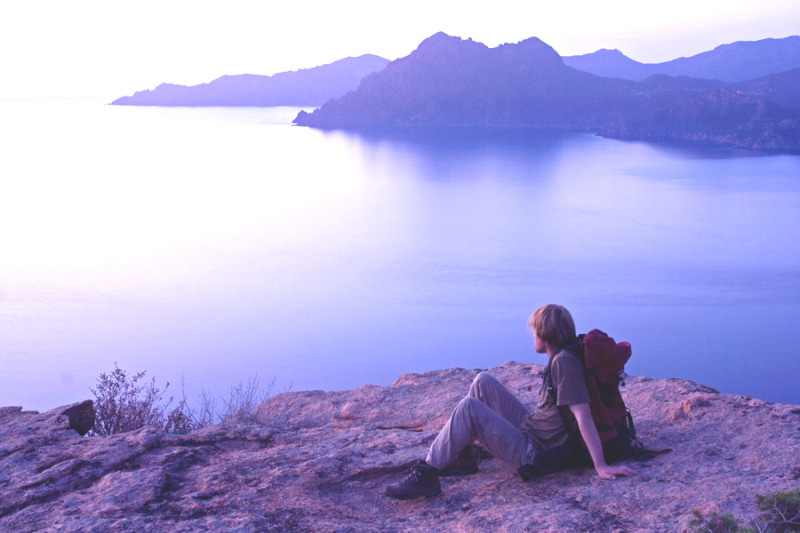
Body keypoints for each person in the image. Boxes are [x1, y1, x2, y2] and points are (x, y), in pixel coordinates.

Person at [385, 304, 637, 500]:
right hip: (533, 430)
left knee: (468, 408)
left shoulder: (564, 363)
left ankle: (428, 473)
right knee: (483, 381)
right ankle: (461, 458)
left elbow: (583, 416)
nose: (532, 334)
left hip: (534, 453)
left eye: (534, 329)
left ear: (545, 333)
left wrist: (601, 466)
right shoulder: (563, 355)